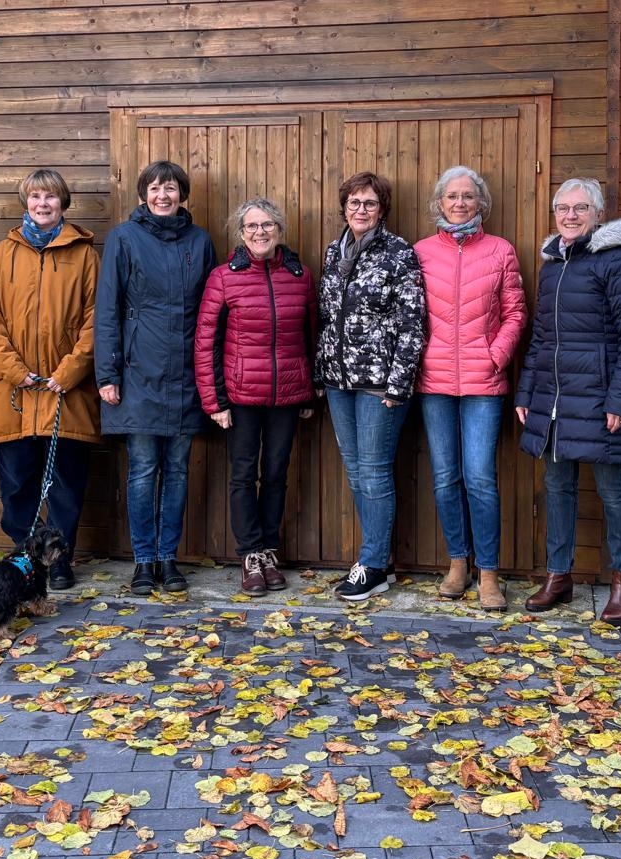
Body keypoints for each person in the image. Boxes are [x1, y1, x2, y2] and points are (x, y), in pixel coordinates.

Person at [514, 177, 621, 624]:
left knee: (613, 491)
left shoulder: (615, 261)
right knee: (557, 488)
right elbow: (542, 339)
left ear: (597, 214)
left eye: (580, 208)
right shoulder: (553, 264)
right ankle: (559, 577)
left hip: (601, 398)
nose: (569, 216)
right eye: (562, 208)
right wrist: (527, 393)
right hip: (554, 400)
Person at [96, 161, 217, 596]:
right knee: (144, 469)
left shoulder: (200, 241)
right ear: (143, 194)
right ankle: (143, 561)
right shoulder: (124, 238)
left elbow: (212, 312)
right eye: (154, 188)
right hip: (137, 373)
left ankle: (169, 559)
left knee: (179, 470)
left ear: (182, 195)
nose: (162, 195)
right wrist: (107, 373)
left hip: (186, 374)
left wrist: (212, 376)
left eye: (170, 188)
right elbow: (107, 308)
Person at [0, 168, 100, 590]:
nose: (42, 205)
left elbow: (95, 319)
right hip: (14, 393)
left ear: (63, 204)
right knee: (16, 483)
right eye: (35, 198)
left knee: (66, 483)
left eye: (50, 198)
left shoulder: (84, 255)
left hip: (65, 390)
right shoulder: (3, 254)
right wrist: (15, 371)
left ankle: (59, 559)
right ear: (25, 203)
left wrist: (67, 373)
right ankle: (27, 554)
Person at [414, 166, 527, 612]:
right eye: (451, 196)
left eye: (467, 196)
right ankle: (457, 564)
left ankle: (489, 574)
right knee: (445, 478)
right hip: (434, 382)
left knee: (480, 478)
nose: (459, 203)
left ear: (481, 203)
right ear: (439, 203)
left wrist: (495, 356)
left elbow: (516, 313)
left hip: (484, 383)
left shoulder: (500, 251)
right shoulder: (421, 252)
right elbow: (409, 314)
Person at [195, 197, 318, 596]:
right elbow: (205, 343)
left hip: (287, 396)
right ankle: (249, 555)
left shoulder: (300, 275)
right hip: (242, 395)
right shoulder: (223, 278)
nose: (260, 232)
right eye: (251, 227)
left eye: (267, 225)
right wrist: (214, 401)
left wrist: (310, 390)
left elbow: (313, 335)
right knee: (244, 475)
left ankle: (268, 550)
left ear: (279, 230)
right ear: (241, 232)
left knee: (277, 474)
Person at [316, 171, 427, 601]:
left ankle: (373, 564)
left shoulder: (398, 253)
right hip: (339, 382)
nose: (361, 210)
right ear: (344, 206)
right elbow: (326, 319)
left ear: (382, 210)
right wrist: (320, 375)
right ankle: (376, 559)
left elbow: (412, 322)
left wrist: (399, 384)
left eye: (370, 203)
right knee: (356, 470)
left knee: (376, 472)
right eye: (354, 202)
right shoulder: (334, 251)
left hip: (379, 385)